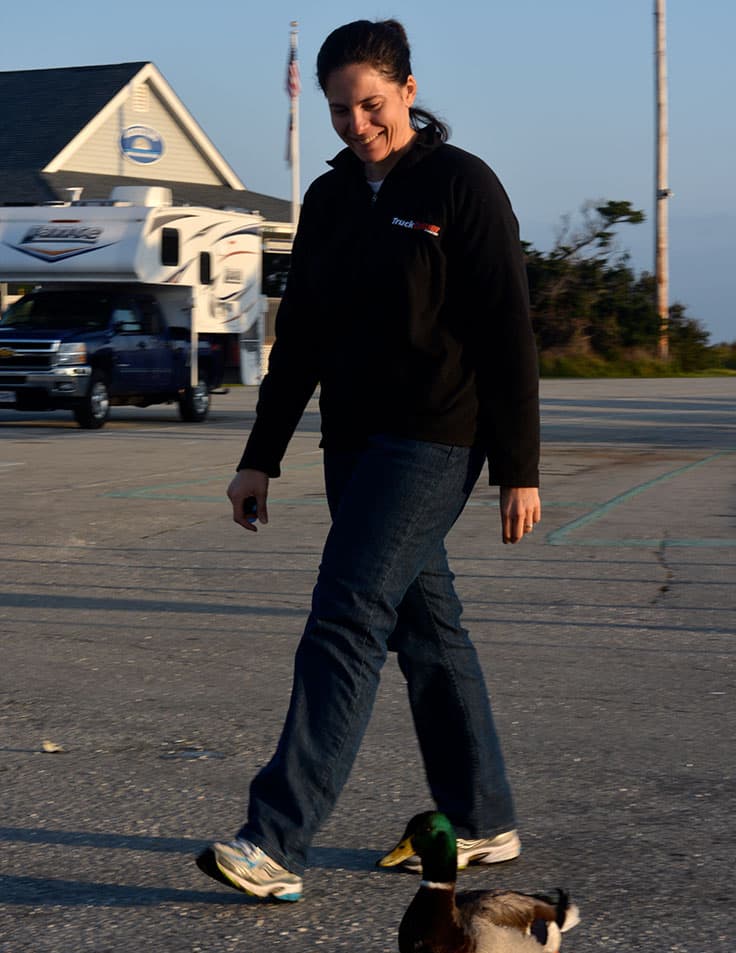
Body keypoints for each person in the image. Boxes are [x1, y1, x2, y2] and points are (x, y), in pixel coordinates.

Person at [196, 18, 540, 902]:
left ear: (410, 92)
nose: (356, 123)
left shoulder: (461, 186)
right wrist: (258, 456)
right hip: (352, 443)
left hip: (434, 439)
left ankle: (275, 839)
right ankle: (481, 817)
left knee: (346, 615)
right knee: (428, 629)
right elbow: (301, 337)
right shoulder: (331, 199)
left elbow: (507, 332)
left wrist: (519, 467)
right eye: (341, 109)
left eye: (372, 104)